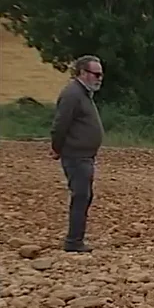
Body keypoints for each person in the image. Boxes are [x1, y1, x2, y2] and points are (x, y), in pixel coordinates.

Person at [50, 55, 105, 253]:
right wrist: (57, 147)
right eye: (96, 74)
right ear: (83, 73)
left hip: (84, 155)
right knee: (81, 195)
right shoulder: (73, 94)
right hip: (75, 155)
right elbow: (60, 124)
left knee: (84, 195)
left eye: (101, 74)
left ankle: (75, 240)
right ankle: (73, 242)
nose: (100, 78)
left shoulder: (83, 93)